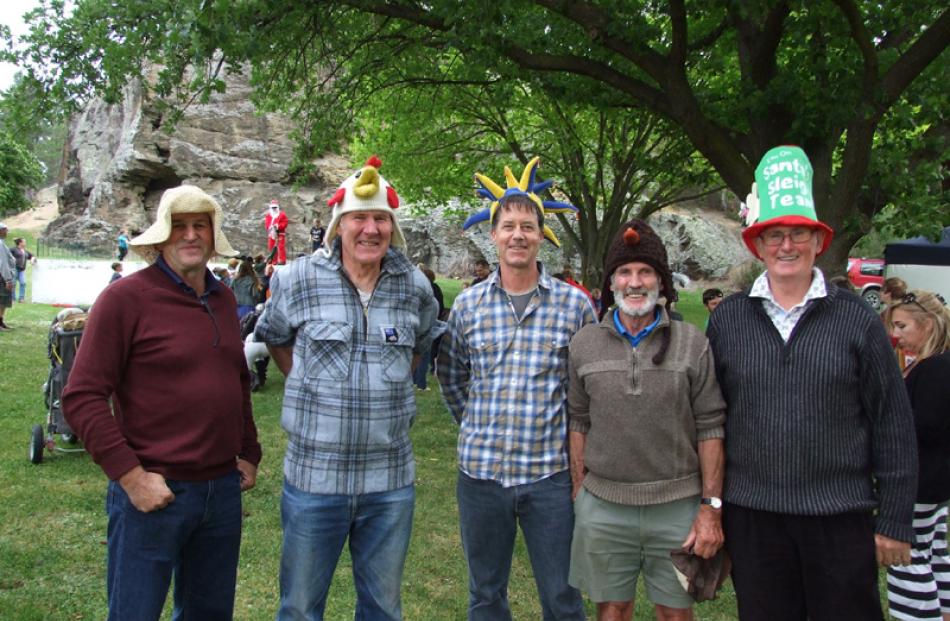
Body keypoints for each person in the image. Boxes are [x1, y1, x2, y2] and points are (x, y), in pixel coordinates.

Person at [707, 146, 917, 621]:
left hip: (839, 518)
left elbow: (893, 423)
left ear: (818, 241)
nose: (786, 246)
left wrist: (895, 520)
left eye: (797, 233)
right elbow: (709, 419)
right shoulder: (729, 321)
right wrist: (710, 506)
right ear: (758, 246)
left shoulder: (856, 319)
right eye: (775, 235)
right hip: (754, 517)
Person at [61, 185, 262, 621]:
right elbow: (81, 396)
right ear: (161, 237)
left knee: (208, 614)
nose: (190, 236)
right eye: (179, 226)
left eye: (200, 226)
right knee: (135, 612)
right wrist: (131, 478)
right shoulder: (124, 299)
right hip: (154, 492)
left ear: (212, 236)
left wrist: (249, 450)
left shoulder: (224, 297)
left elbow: (237, 378)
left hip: (220, 493)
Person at [254, 155, 441, 621]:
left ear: (392, 227)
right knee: (299, 608)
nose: (370, 229)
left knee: (382, 608)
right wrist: (304, 378)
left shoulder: (414, 288)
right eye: (359, 217)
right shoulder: (296, 279)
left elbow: (418, 346)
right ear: (339, 224)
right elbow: (274, 335)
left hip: (389, 481)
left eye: (381, 218)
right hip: (315, 478)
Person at [438, 156, 594, 621]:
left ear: (542, 233)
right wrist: (477, 423)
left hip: (550, 477)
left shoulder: (574, 306)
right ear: (494, 234)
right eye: (508, 226)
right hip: (481, 476)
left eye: (528, 225)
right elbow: (451, 375)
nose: (518, 235)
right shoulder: (467, 306)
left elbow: (587, 390)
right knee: (485, 596)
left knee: (563, 597)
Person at [567, 219, 726, 621]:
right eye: (624, 272)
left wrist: (710, 507)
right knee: (612, 609)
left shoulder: (693, 344)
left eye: (645, 271)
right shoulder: (584, 344)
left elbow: (710, 426)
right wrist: (580, 490)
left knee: (675, 613)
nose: (634, 282)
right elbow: (578, 419)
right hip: (604, 506)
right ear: (611, 282)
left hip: (677, 507)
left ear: (662, 282)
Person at [885, 291, 950, 621]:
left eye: (902, 326)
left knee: (907, 557)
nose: (896, 335)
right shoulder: (930, 365)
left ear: (927, 325)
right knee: (933, 551)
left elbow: (926, 425)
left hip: (921, 482)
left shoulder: (935, 368)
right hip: (935, 482)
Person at [412, 266, 444, 391]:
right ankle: (421, 384)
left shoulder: (416, 291)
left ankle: (415, 381)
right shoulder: (431, 293)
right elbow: (437, 307)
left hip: (417, 327)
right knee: (423, 356)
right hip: (425, 327)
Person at [10, 237, 36, 302]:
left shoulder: (25, 251)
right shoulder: (13, 249)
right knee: (13, 284)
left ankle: (21, 298)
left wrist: (32, 259)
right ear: (20, 243)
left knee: (23, 283)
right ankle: (13, 298)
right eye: (24, 242)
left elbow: (32, 256)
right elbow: (7, 255)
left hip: (22, 270)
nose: (25, 243)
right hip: (14, 269)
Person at [0, 223, 16, 330]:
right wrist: (8, 280)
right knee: (2, 300)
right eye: (5, 230)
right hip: (2, 276)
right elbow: (3, 262)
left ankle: (1, 321)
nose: (7, 232)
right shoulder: (0, 244)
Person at [265, 199, 289, 265]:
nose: (274, 209)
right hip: (271, 234)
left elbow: (285, 223)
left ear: (277, 207)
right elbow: (267, 224)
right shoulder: (268, 215)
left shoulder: (282, 215)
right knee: (271, 247)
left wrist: (278, 226)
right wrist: (270, 227)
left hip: (280, 234)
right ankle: (273, 260)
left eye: (275, 207)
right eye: (273, 207)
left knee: (281, 247)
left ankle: (282, 261)